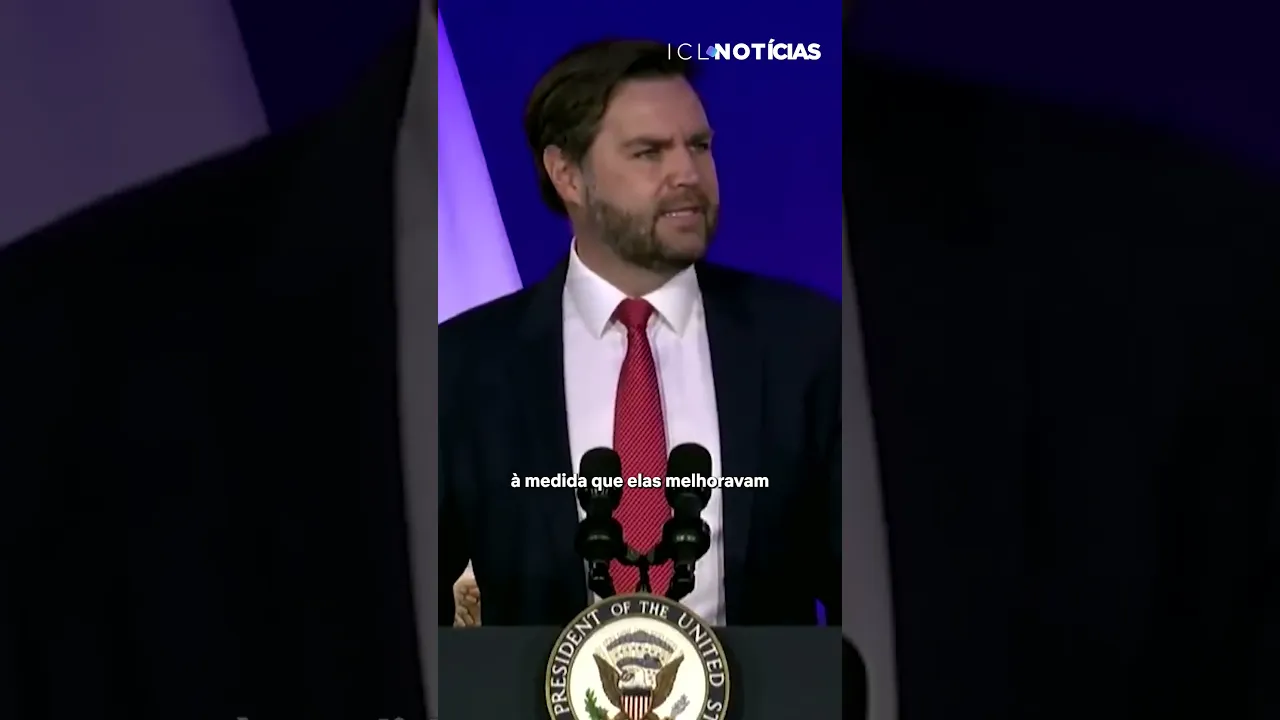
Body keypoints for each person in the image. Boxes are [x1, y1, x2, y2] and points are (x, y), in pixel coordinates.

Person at [437, 39, 842, 627]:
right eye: (649, 152)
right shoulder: (464, 366)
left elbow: (867, 588)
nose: (689, 174)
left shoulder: (805, 344)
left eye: (699, 146)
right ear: (567, 175)